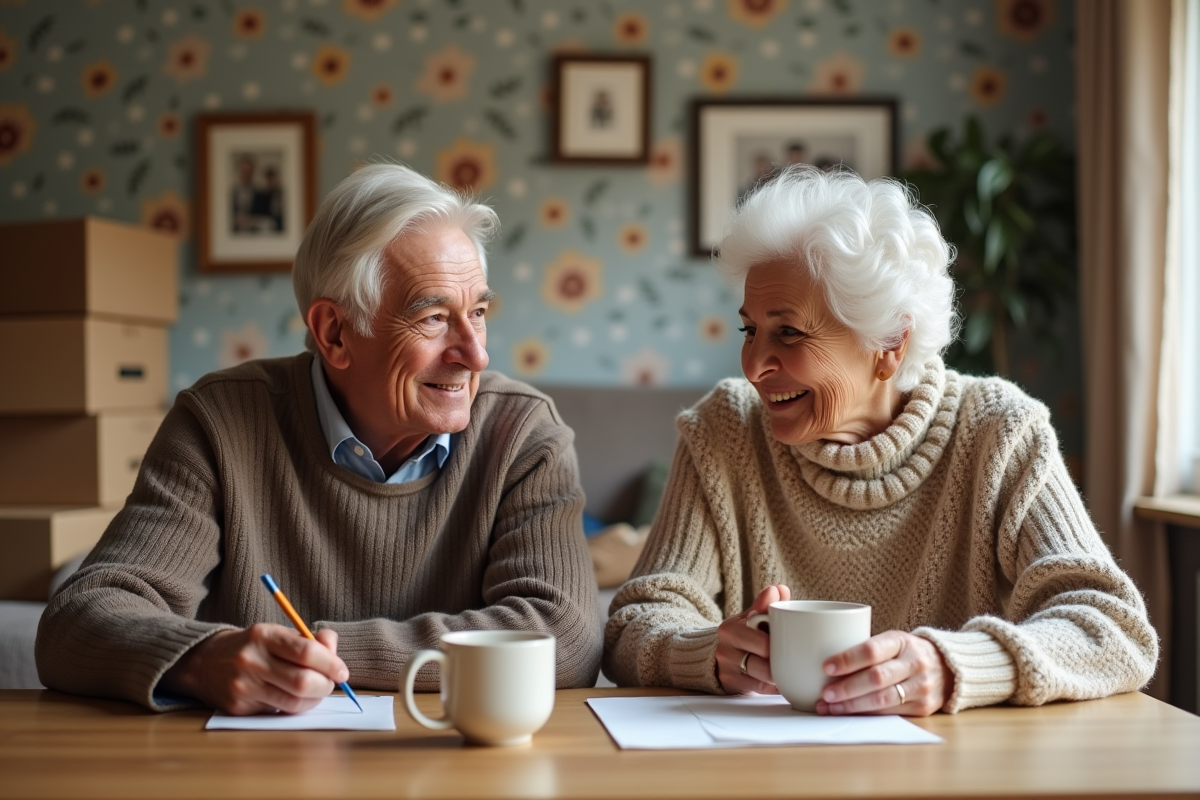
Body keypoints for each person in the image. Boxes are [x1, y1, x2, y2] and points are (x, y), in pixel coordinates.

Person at [37, 164, 602, 714]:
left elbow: (566, 639)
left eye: (477, 312)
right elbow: (78, 618)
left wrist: (304, 650)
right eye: (432, 318)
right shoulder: (220, 421)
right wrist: (203, 659)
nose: (474, 353)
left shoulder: (525, 433)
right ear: (334, 333)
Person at [603, 166, 1157, 716]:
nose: (753, 365)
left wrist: (950, 665)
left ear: (890, 343)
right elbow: (634, 626)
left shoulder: (999, 432)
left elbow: (1113, 629)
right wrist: (708, 653)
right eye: (750, 329)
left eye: (789, 332)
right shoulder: (725, 430)